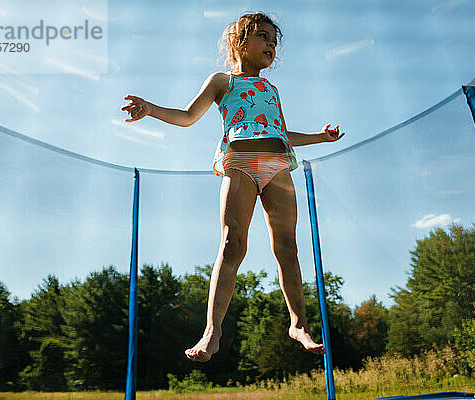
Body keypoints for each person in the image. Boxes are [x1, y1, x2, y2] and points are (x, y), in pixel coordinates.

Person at [121, 12, 345, 362]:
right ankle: (213, 331)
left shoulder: (271, 89)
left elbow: (283, 134)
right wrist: (150, 109)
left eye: (274, 41)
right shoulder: (221, 81)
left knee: (287, 245)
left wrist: (321, 137)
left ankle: (298, 323)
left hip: (277, 167)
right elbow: (186, 116)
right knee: (231, 243)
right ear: (238, 42)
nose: (271, 45)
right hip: (238, 164)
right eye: (264, 37)